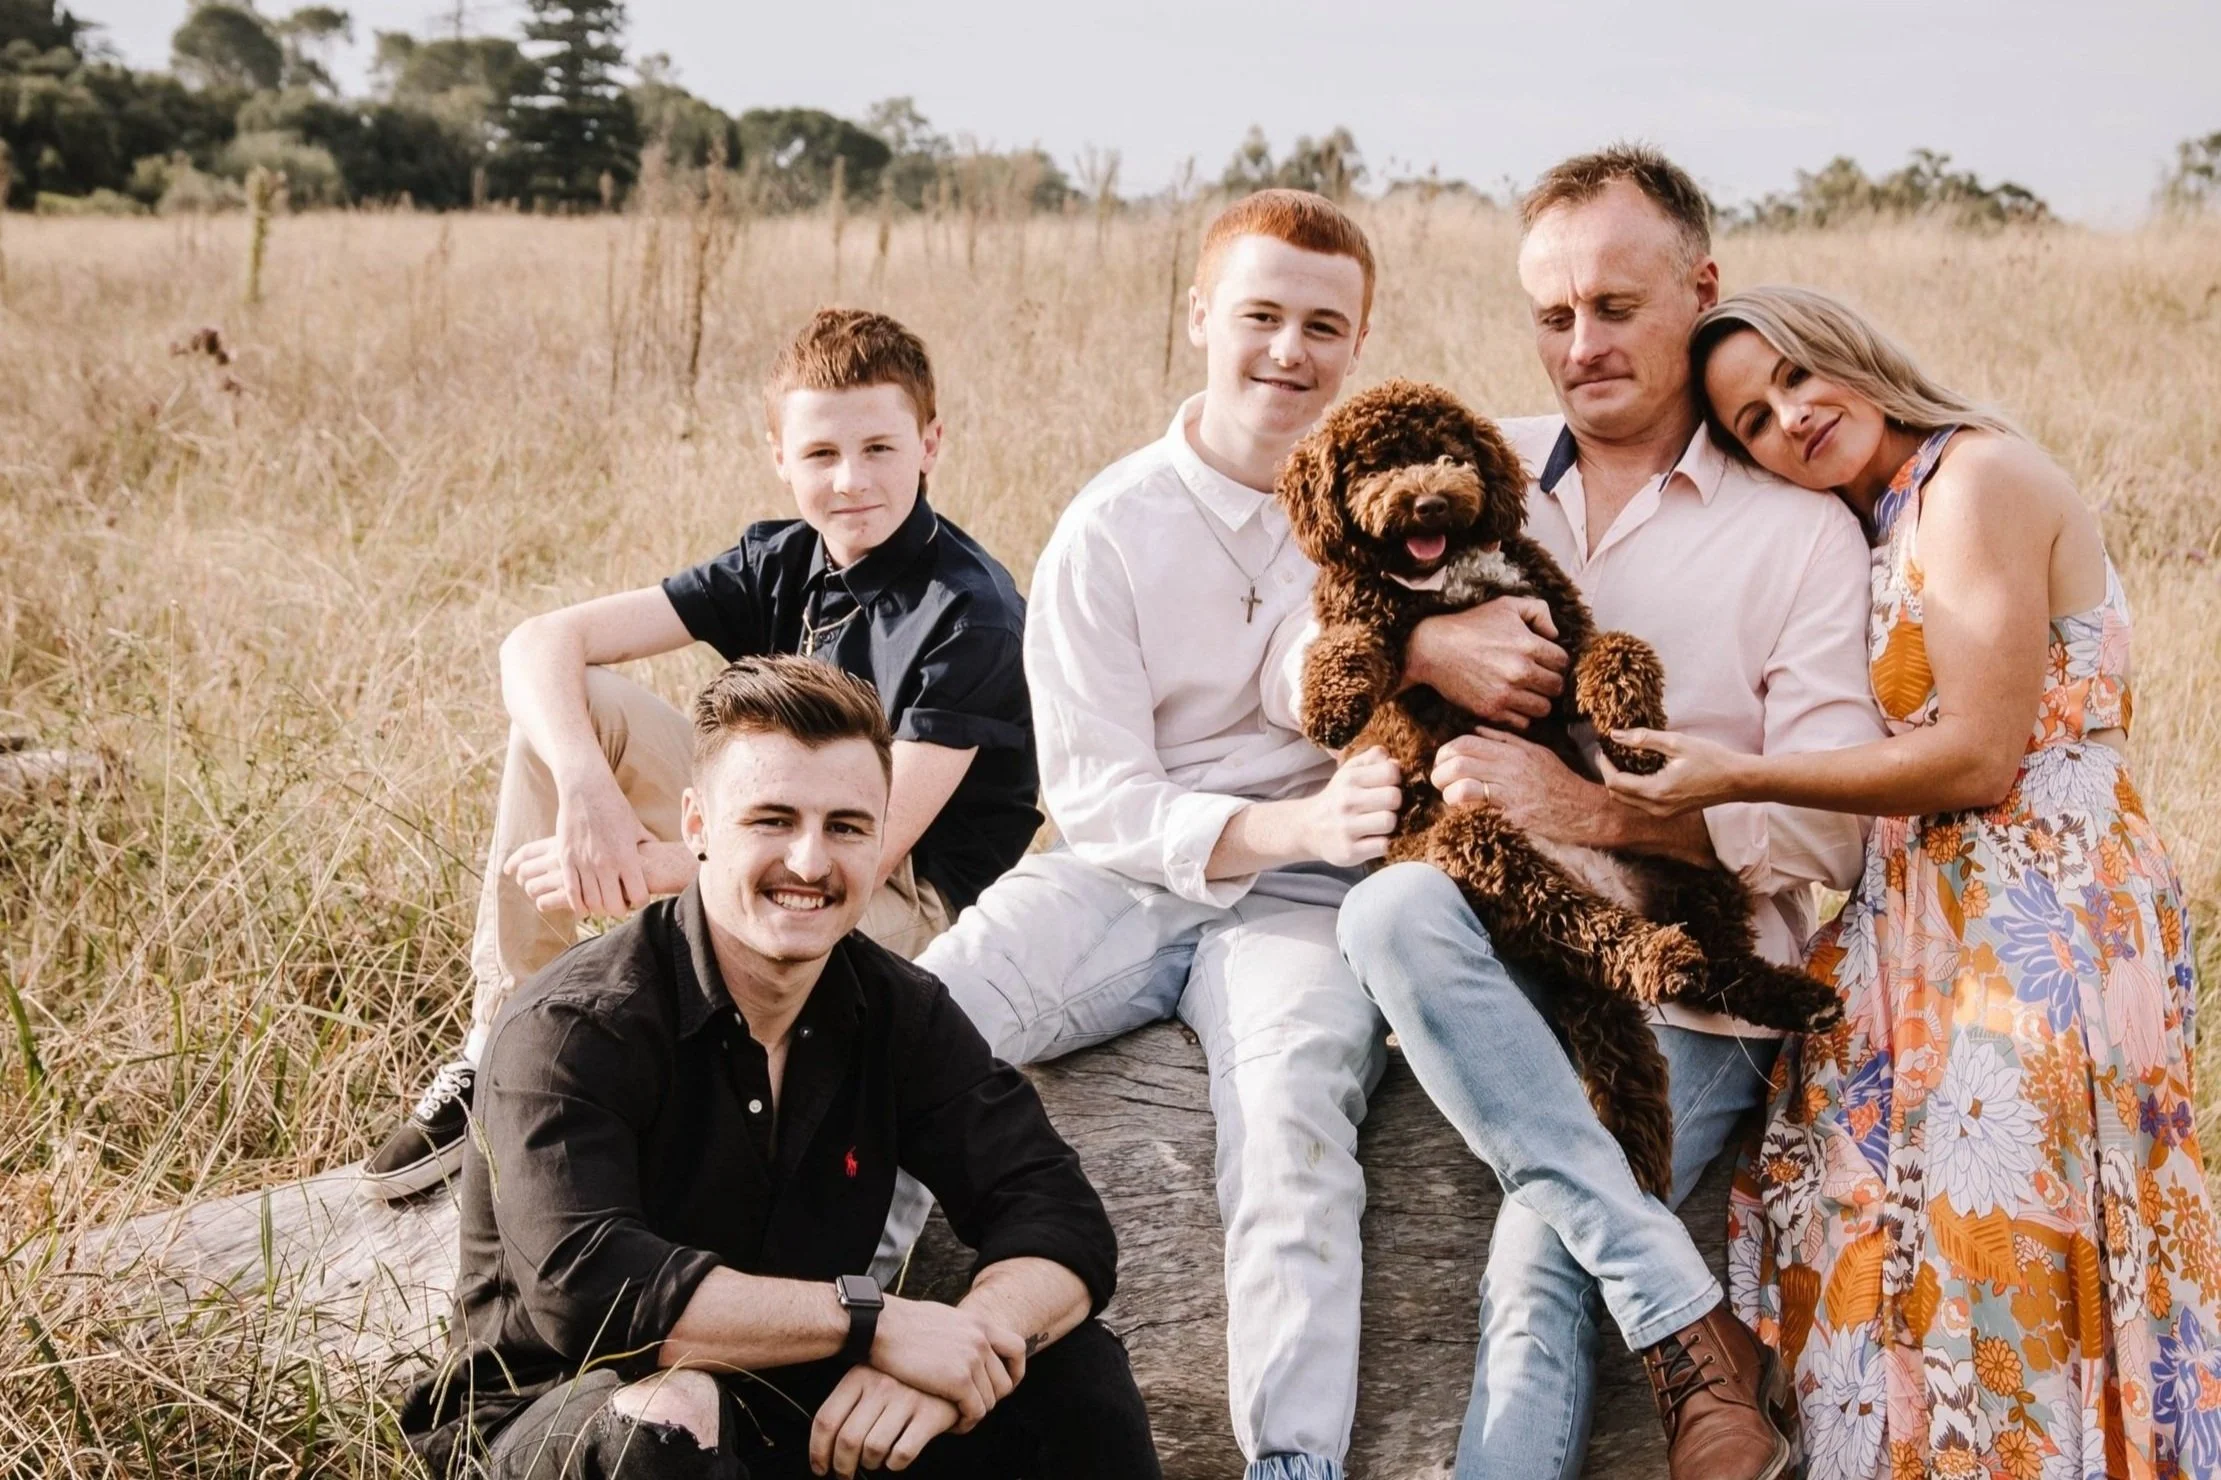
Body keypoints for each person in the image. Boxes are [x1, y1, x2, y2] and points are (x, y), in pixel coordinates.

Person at [1601, 283, 2221, 1480]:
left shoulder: (1974, 479)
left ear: (1850, 351)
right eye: (1749, 423)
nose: (1789, 418)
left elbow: (1985, 754)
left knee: (2017, 1247)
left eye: (1794, 377)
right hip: (1926, 918)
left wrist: (1737, 777)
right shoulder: (1884, 519)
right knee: (1877, 1240)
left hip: (2043, 911)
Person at [1331, 145, 1886, 1480]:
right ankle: (1691, 1317)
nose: (1581, 346)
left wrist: (1596, 809)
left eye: (1616, 308)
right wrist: (1425, 656)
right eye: (1553, 316)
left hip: (1680, 987)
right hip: (1482, 957)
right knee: (1390, 903)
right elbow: (1290, 640)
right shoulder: (1476, 472)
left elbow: (1831, 834)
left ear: (1701, 288)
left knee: (1537, 1268)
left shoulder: (1797, 529)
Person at [877, 189, 1398, 1480]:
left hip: (1306, 905)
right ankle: (820, 1333)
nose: (1288, 351)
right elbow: (1097, 792)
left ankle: (1292, 1463)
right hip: (1118, 878)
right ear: (1199, 318)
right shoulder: (1111, 525)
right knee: (909, 1022)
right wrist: (1284, 818)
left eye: (1322, 327)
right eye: (1261, 315)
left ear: (1358, 341)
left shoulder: (1385, 523)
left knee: (1292, 1129)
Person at [397, 655, 1156, 1480]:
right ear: (695, 826)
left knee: (1070, 1373)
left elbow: (1059, 1213)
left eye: (846, 826)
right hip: (561, 1418)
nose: (808, 862)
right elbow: (594, 1293)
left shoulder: (895, 1006)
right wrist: (875, 1324)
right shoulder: (575, 1023)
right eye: (771, 819)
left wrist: (967, 1349)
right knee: (675, 1412)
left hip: (794, 1404)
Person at [362, 309, 1040, 1201]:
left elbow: (870, 847)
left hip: (903, 889)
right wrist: (588, 801)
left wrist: (650, 871)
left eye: (879, 448)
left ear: (930, 441)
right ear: (778, 455)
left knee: (778, 893)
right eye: (820, 454)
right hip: (762, 819)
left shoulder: (970, 612)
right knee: (570, 711)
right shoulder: (783, 558)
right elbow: (538, 640)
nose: (850, 481)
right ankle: (499, 1041)